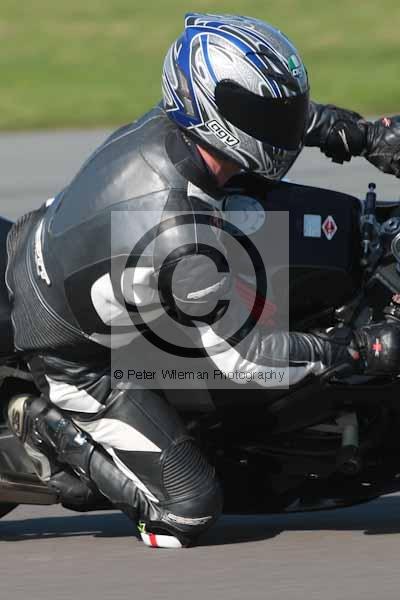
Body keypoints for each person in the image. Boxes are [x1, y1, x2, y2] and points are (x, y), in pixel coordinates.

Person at [6, 13, 400, 549]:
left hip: (83, 252)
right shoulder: (180, 236)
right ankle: (45, 425)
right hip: (78, 356)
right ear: (214, 113)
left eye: (280, 108)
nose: (282, 122)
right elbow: (249, 359)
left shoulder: (188, 128)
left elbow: (283, 117)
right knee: (187, 513)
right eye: (263, 112)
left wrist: (363, 135)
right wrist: (359, 349)